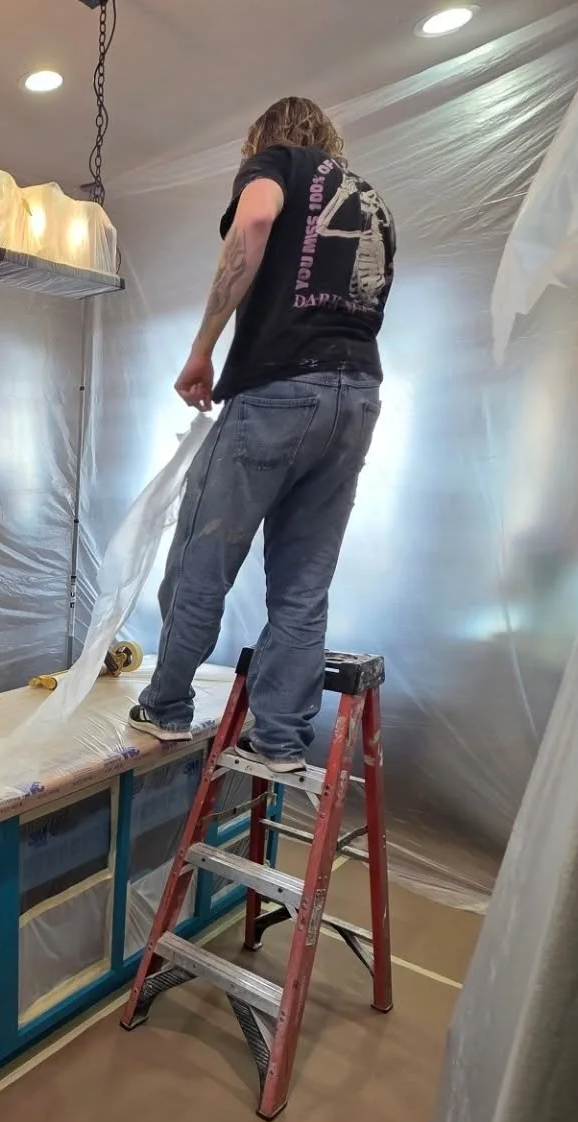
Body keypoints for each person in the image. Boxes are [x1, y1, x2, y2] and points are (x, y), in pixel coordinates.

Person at [128, 97, 395, 771]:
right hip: (357, 397)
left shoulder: (277, 164)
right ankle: (279, 739)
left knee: (200, 560)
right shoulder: (374, 203)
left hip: (279, 390)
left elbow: (254, 219)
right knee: (303, 587)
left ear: (263, 141)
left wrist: (202, 348)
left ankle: (164, 705)